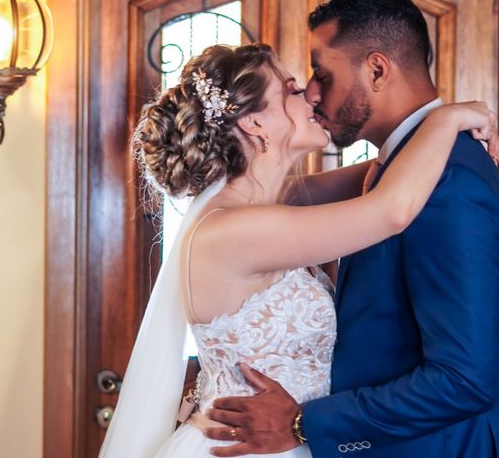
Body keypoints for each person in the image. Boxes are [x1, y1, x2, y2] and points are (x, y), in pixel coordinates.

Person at [97, 41, 497, 458]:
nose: (308, 95)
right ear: (254, 122)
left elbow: (392, 168)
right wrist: (446, 118)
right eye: (289, 90)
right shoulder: (233, 231)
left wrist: (433, 135)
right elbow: (391, 209)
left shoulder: (270, 204)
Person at [204, 0, 499, 458]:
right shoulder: (398, 170)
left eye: (322, 74)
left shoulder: (448, 179)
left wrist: (305, 424)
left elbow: (465, 378)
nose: (313, 94)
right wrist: (446, 120)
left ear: (377, 69)